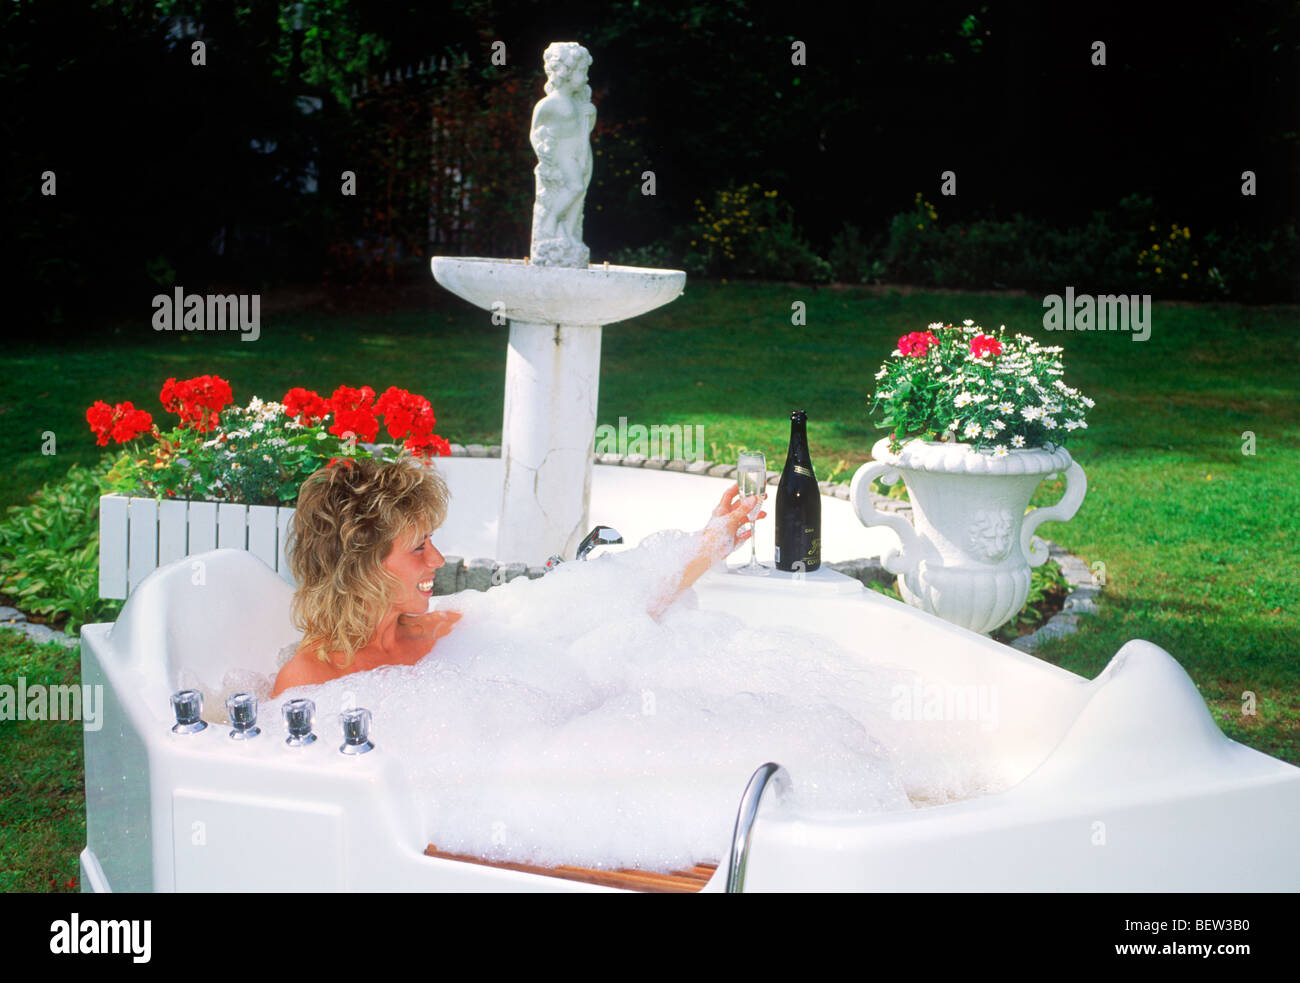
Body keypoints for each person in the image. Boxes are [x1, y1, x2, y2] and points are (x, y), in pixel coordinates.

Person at [271, 455, 765, 697]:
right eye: (418, 546)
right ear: (360, 568)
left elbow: (609, 609)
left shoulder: (447, 629)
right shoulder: (312, 682)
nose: (438, 560)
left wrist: (710, 543)